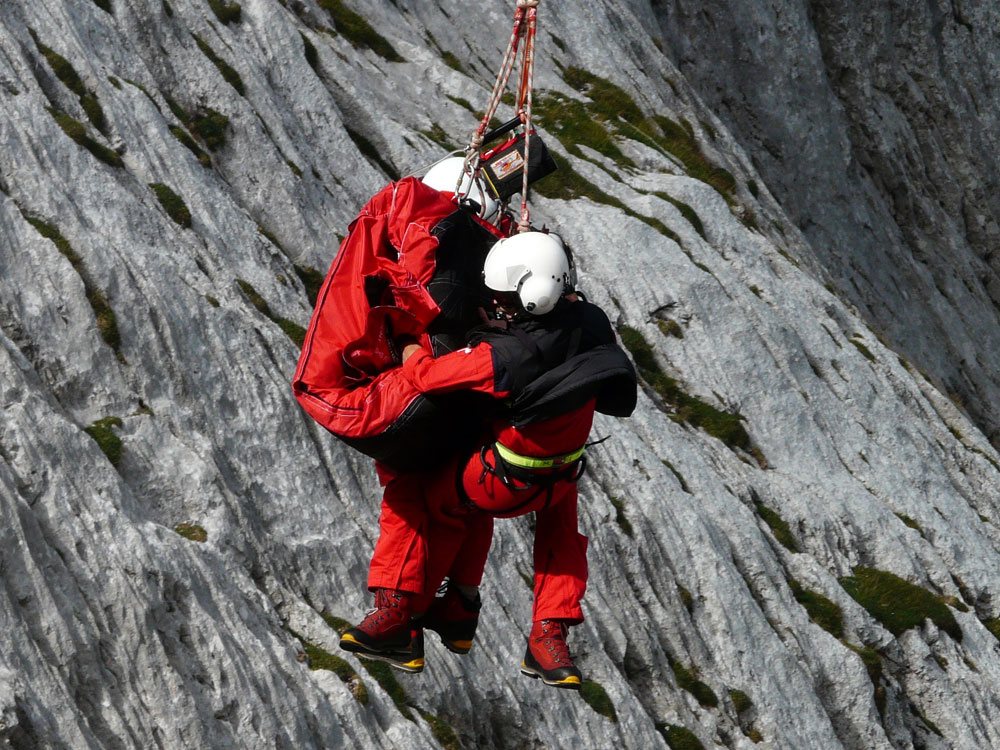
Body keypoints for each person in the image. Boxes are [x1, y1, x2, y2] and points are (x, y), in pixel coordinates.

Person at [339, 231, 637, 689]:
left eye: (504, 299)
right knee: (559, 537)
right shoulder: (590, 320)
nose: (497, 305)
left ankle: (400, 616)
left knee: (416, 491)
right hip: (561, 476)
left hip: (499, 482)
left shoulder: (504, 358)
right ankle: (546, 637)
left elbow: (426, 376)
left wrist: (407, 336)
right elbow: (546, 329)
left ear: (529, 296)